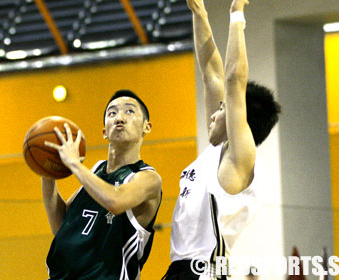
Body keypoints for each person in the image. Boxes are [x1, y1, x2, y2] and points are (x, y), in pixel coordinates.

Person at [162, 0, 281, 279]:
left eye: (223, 109)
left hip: (206, 270)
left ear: (241, 120)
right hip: (181, 267)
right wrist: (199, 12)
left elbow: (233, 81)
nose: (215, 114)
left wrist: (236, 15)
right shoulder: (215, 152)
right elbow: (212, 73)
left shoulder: (239, 158)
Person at [42, 90, 162, 280]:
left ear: (146, 127)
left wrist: (74, 164)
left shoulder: (147, 178)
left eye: (129, 111)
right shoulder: (97, 171)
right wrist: (47, 173)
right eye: (112, 113)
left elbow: (116, 201)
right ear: (104, 132)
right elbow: (61, 226)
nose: (119, 118)